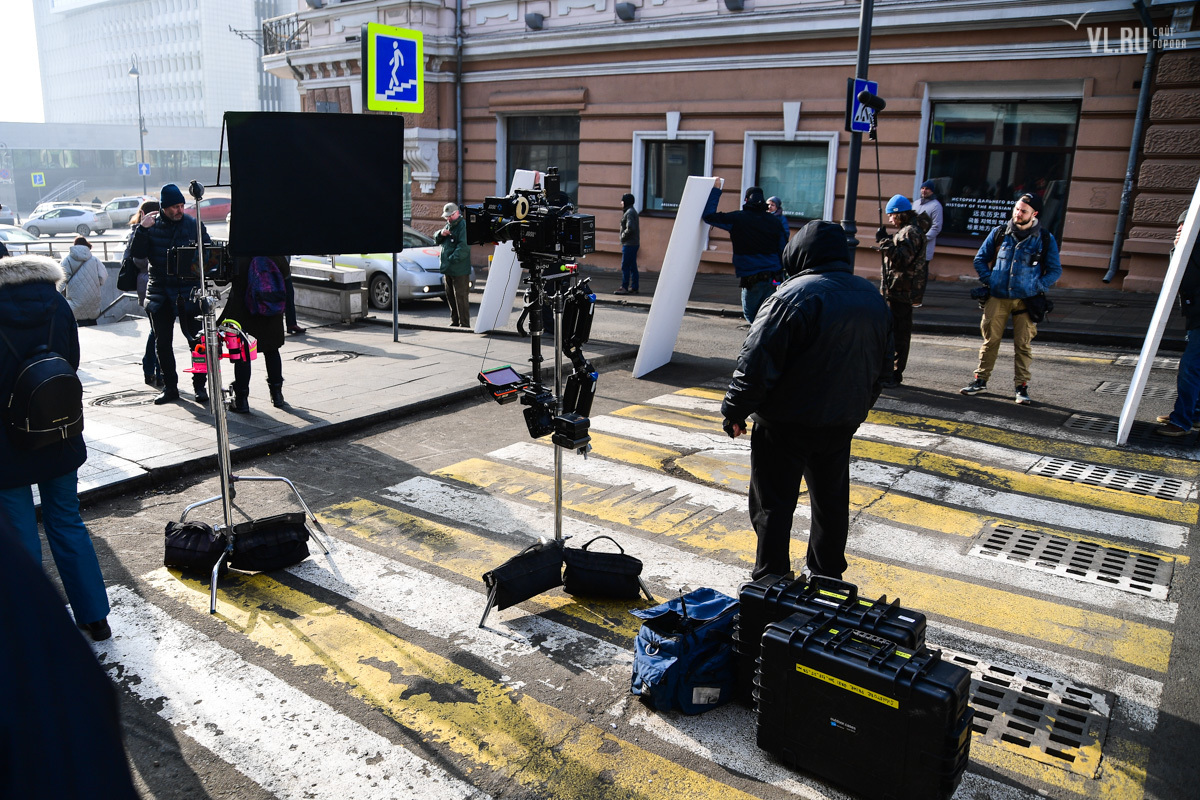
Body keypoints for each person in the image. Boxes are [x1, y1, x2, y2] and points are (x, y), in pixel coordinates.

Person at [721, 220, 892, 581]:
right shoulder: (872, 297)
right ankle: (827, 576)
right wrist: (857, 408)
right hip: (840, 422)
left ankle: (772, 578)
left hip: (784, 424)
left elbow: (755, 364)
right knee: (831, 503)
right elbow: (883, 368)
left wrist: (734, 411)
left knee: (773, 505)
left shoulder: (789, 297)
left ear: (798, 254)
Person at [0, 254, 111, 642]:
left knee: (20, 534)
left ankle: (35, 625)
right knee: (66, 520)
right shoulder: (56, 301)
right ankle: (95, 617)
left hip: (6, 441)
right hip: (58, 428)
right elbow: (71, 362)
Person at [960, 193, 1061, 405]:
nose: (1018, 213)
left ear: (1034, 214)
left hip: (1027, 301)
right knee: (990, 341)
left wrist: (1037, 286)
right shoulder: (999, 233)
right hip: (997, 297)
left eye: (1023, 211)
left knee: (1023, 345)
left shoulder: (1044, 238)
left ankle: (1021, 388)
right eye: (1016, 209)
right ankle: (980, 381)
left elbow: (1055, 270)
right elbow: (980, 259)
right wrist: (990, 280)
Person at [129, 183, 212, 405]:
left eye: (181, 206)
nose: (179, 210)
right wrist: (142, 230)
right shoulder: (150, 226)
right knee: (163, 343)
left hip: (188, 291)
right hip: (160, 293)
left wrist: (196, 265)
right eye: (174, 207)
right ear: (164, 207)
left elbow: (208, 253)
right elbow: (136, 254)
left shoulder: (192, 224)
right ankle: (170, 387)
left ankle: (200, 386)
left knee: (198, 342)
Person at [703, 179, 788, 324]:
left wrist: (716, 190)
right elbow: (783, 248)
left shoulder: (738, 218)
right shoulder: (775, 221)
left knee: (752, 317)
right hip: (774, 277)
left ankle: (759, 338)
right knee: (768, 316)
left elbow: (708, 216)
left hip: (752, 277)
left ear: (746, 200)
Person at [218, 256, 290, 412]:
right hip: (270, 310)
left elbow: (222, 279)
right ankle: (277, 396)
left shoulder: (238, 252)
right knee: (272, 351)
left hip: (244, 310)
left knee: (243, 355)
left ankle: (242, 400)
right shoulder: (274, 249)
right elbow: (285, 272)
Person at [876, 194, 929, 387]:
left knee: (899, 334)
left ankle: (894, 374)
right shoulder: (908, 230)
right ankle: (889, 371)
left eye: (891, 215)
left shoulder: (910, 232)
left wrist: (885, 242)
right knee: (895, 332)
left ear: (900, 214)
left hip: (901, 292)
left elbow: (902, 259)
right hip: (898, 290)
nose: (890, 219)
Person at [1155, 210, 1200, 437]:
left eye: (1185, 225)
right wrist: (1178, 248)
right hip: (1196, 315)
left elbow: (1185, 278)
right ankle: (1194, 414)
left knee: (1190, 367)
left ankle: (1181, 421)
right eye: (1179, 225)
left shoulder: (1195, 248)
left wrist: (1180, 249)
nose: (1179, 229)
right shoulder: (1189, 247)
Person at [125, 199, 163, 386]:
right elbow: (139, 261)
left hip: (153, 283)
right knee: (157, 330)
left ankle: (153, 370)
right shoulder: (138, 232)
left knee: (157, 330)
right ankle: (153, 369)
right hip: (147, 283)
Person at [436, 202, 472, 328]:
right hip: (449, 268)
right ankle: (455, 321)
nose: (448, 218)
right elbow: (437, 239)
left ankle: (464, 323)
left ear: (456, 213)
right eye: (446, 217)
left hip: (459, 269)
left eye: (450, 216)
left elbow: (463, 248)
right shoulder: (450, 225)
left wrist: (450, 259)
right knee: (450, 296)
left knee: (460, 297)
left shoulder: (462, 226)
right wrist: (440, 233)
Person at [59, 235, 107, 325]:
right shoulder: (95, 260)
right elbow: (103, 276)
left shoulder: (67, 260)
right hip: (92, 297)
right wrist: (97, 284)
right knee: (92, 321)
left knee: (79, 322)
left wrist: (57, 292)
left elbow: (61, 279)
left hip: (75, 297)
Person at [912, 180, 943, 292]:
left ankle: (919, 294)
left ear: (932, 191)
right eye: (923, 188)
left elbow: (936, 227)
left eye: (927, 189)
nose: (924, 191)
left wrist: (924, 238)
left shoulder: (936, 206)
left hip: (925, 245)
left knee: (922, 272)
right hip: (913, 244)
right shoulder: (916, 203)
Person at [615, 192, 640, 296]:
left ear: (626, 202)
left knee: (625, 266)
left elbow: (630, 228)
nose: (621, 203)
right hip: (634, 243)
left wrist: (623, 236)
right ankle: (634, 287)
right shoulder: (632, 211)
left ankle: (624, 287)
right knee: (632, 266)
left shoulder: (629, 212)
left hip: (629, 244)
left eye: (622, 201)